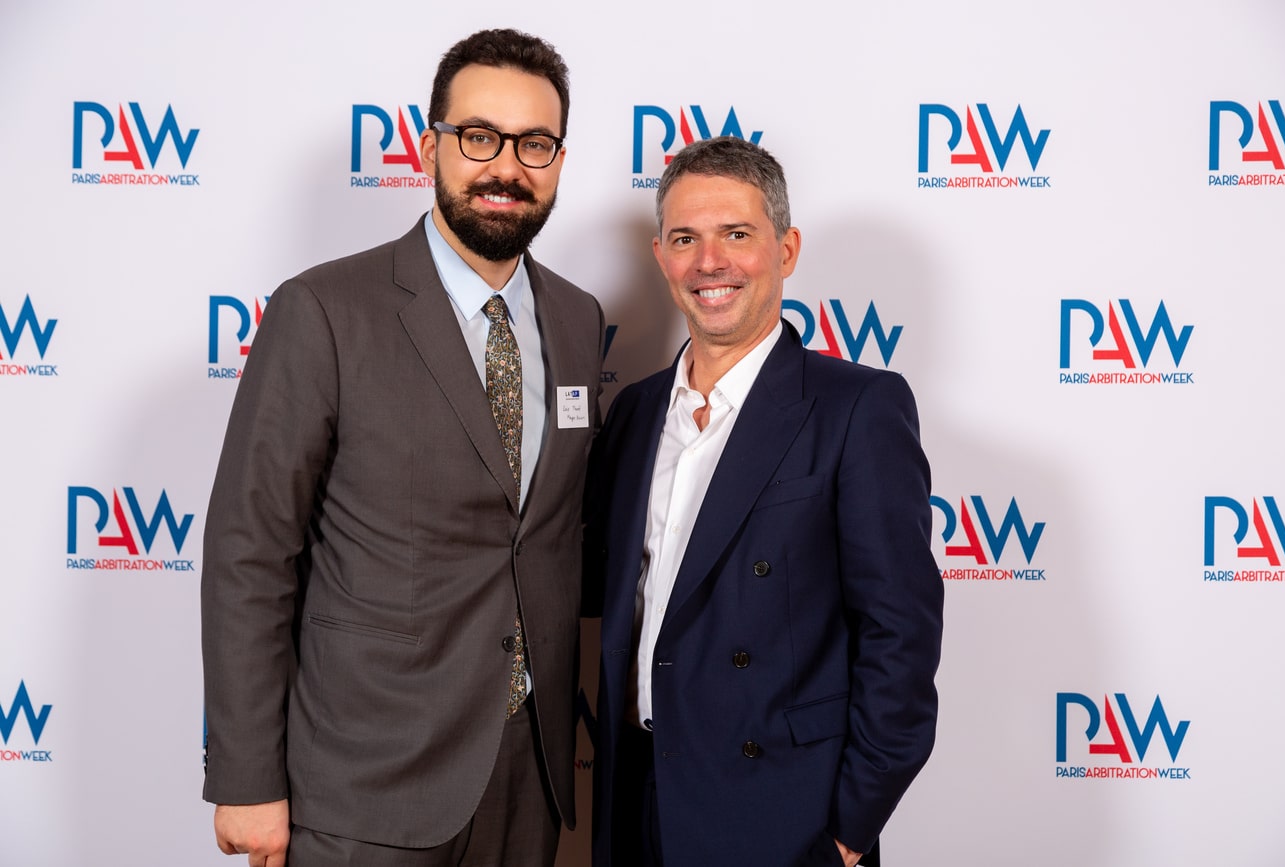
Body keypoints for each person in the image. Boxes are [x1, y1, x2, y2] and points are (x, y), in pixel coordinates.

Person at [201, 28, 605, 867]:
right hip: (364, 784)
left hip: (526, 777)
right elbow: (250, 551)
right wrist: (247, 777)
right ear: (431, 147)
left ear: (560, 160)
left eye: (534, 144)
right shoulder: (324, 311)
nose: (506, 167)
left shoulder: (577, 318)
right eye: (480, 136)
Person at [584, 137, 943, 867]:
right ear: (660, 256)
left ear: (786, 249)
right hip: (637, 803)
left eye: (736, 235)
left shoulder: (856, 407)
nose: (709, 262)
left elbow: (900, 638)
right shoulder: (634, 412)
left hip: (783, 817)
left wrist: (845, 836)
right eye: (685, 238)